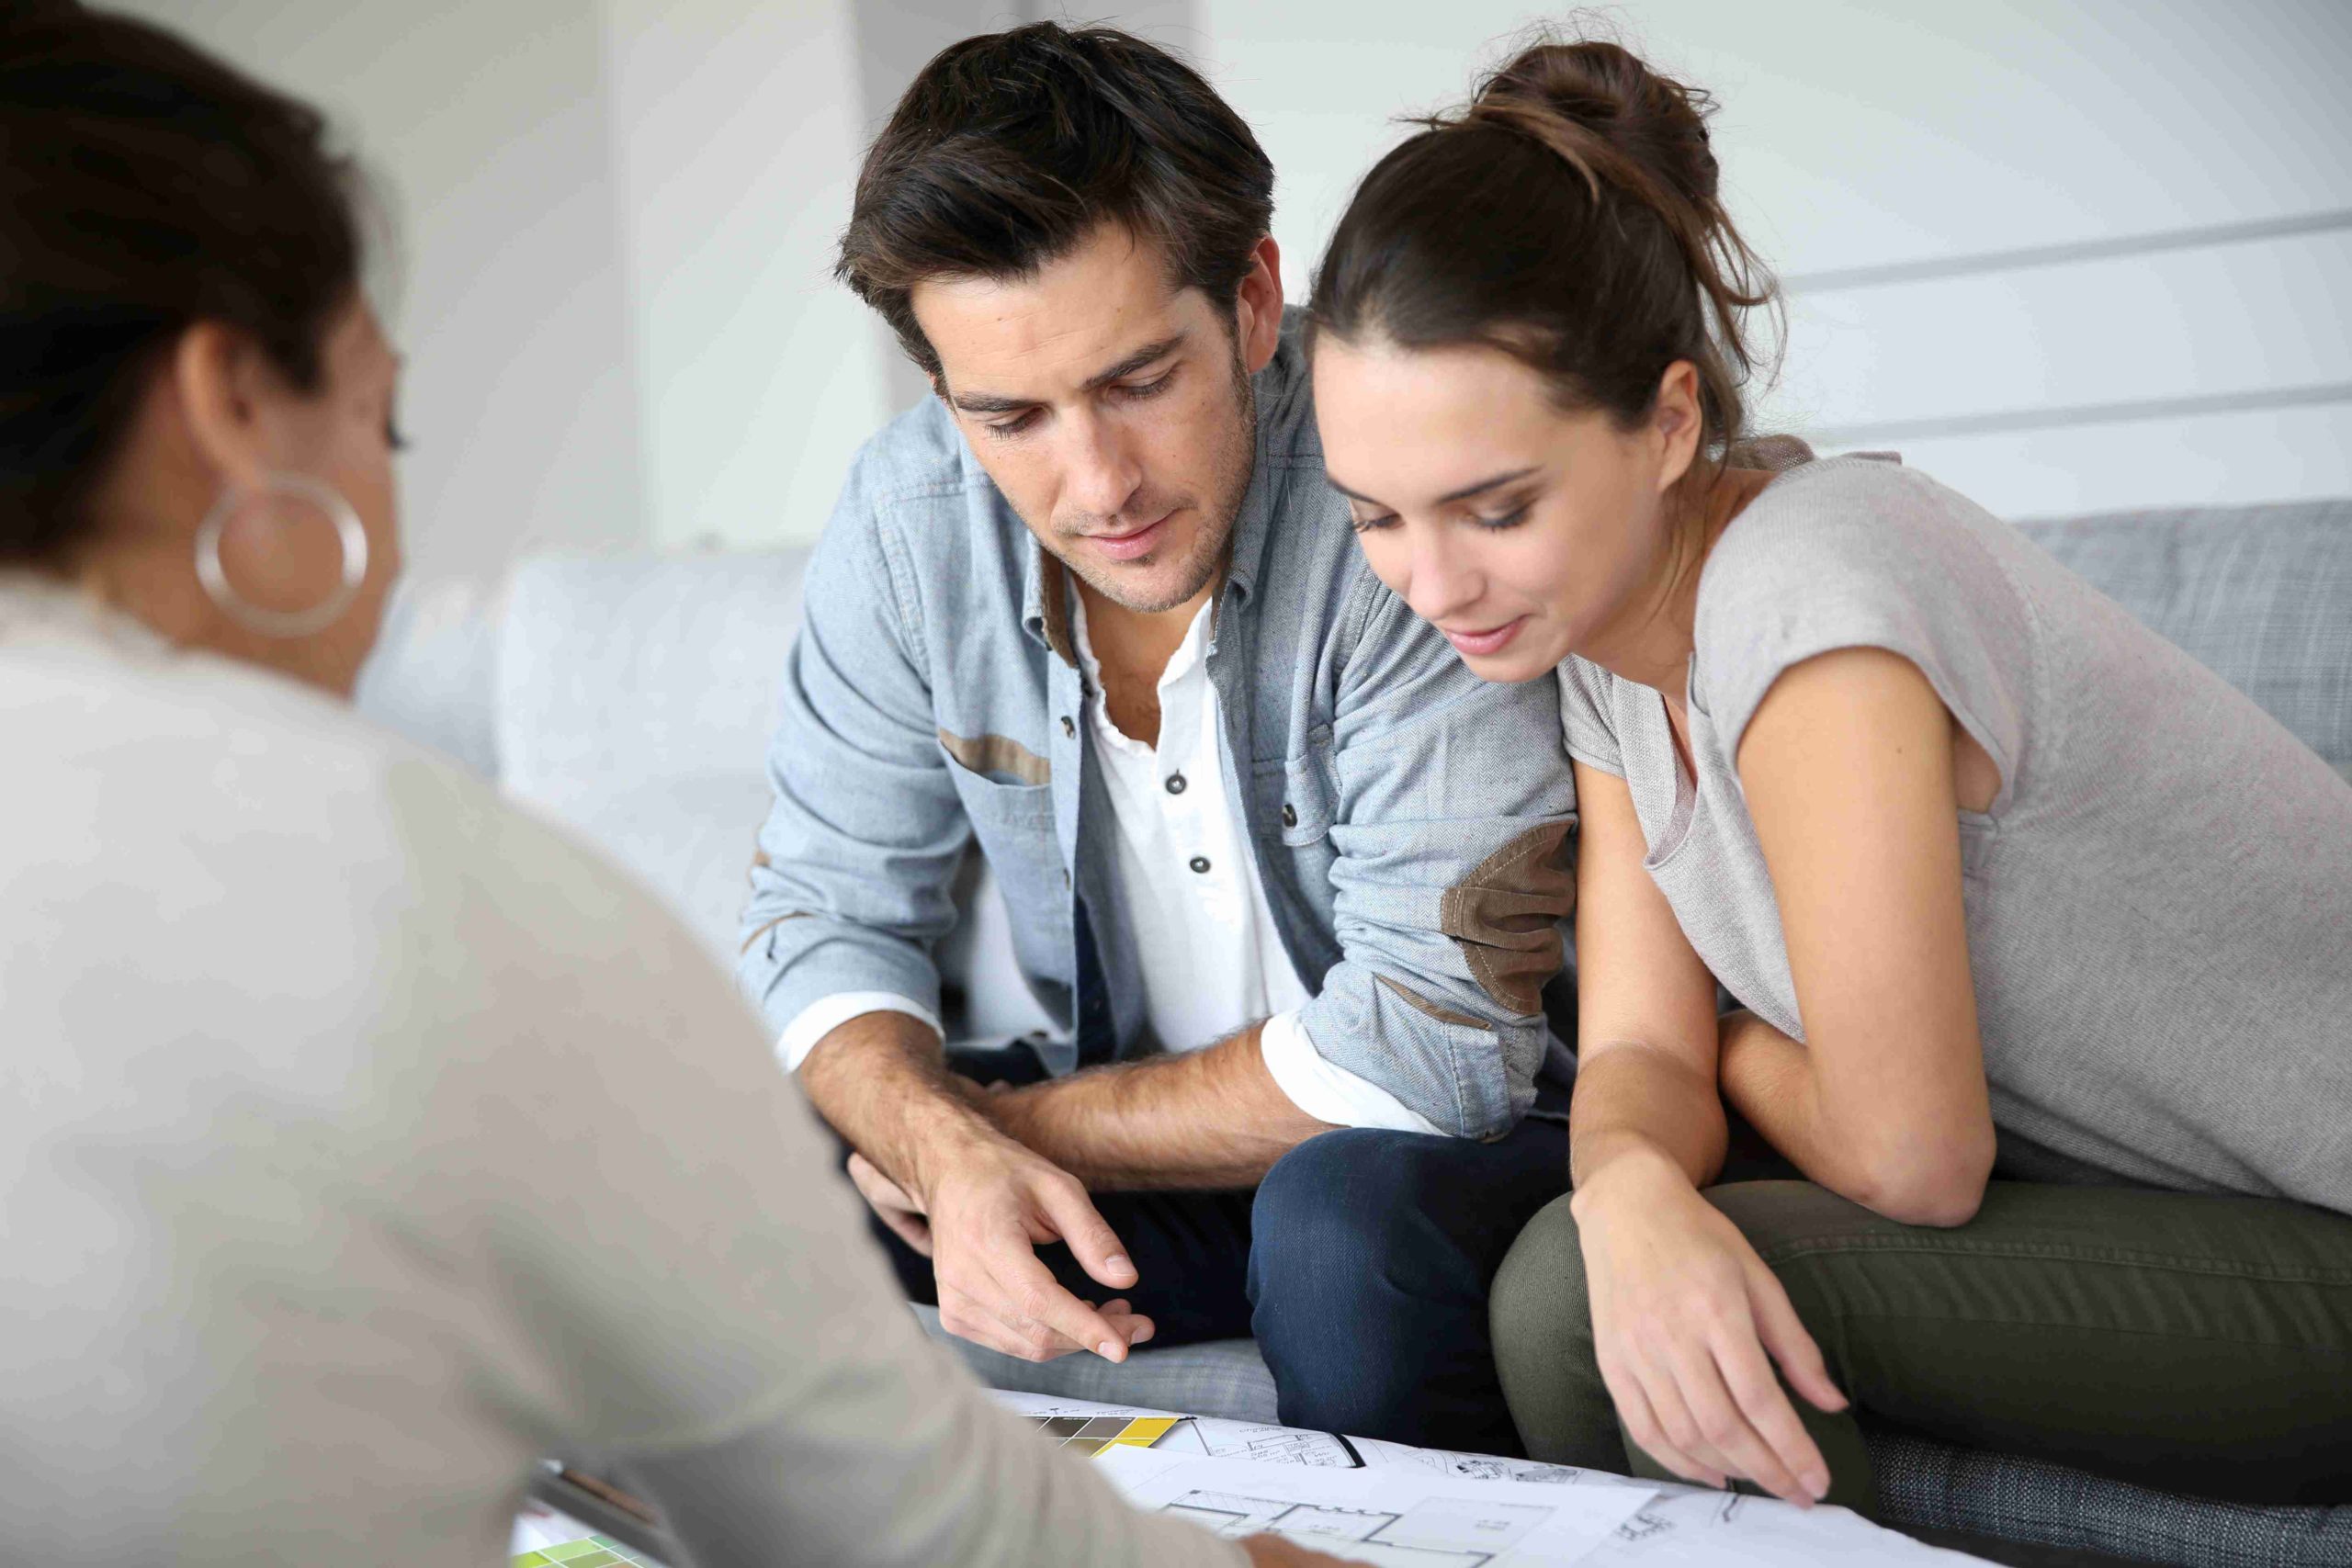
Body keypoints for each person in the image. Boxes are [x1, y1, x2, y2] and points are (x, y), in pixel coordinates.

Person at [0, 7, 1340, 1564]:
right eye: (387, 416)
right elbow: (910, 1527)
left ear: (1249, 308)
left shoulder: (1365, 496)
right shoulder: (464, 913)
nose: (1092, 479)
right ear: (236, 405)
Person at [1304, 34, 2352, 1517]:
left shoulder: (1812, 597)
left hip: (2321, 1234)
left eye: (1494, 507)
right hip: (2178, 1224)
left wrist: (1725, 1063)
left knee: (1582, 1311)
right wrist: (1632, 1184)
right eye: (1378, 519)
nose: (1433, 581)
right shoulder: (1603, 649)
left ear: (1670, 422)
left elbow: (1909, 1158)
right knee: (1611, 1258)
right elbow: (1638, 1059)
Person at [740, 23, 1579, 1453]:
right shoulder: (909, 523)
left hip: (1455, 1142)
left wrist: (1014, 1135)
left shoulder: (1396, 497)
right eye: (1010, 416)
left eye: (1139, 381)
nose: (1098, 484)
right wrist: (936, 1140)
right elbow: (822, 912)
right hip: (1155, 1150)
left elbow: (1439, 1051)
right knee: (745, 1158)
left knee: (1334, 1241)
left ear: (1254, 303)